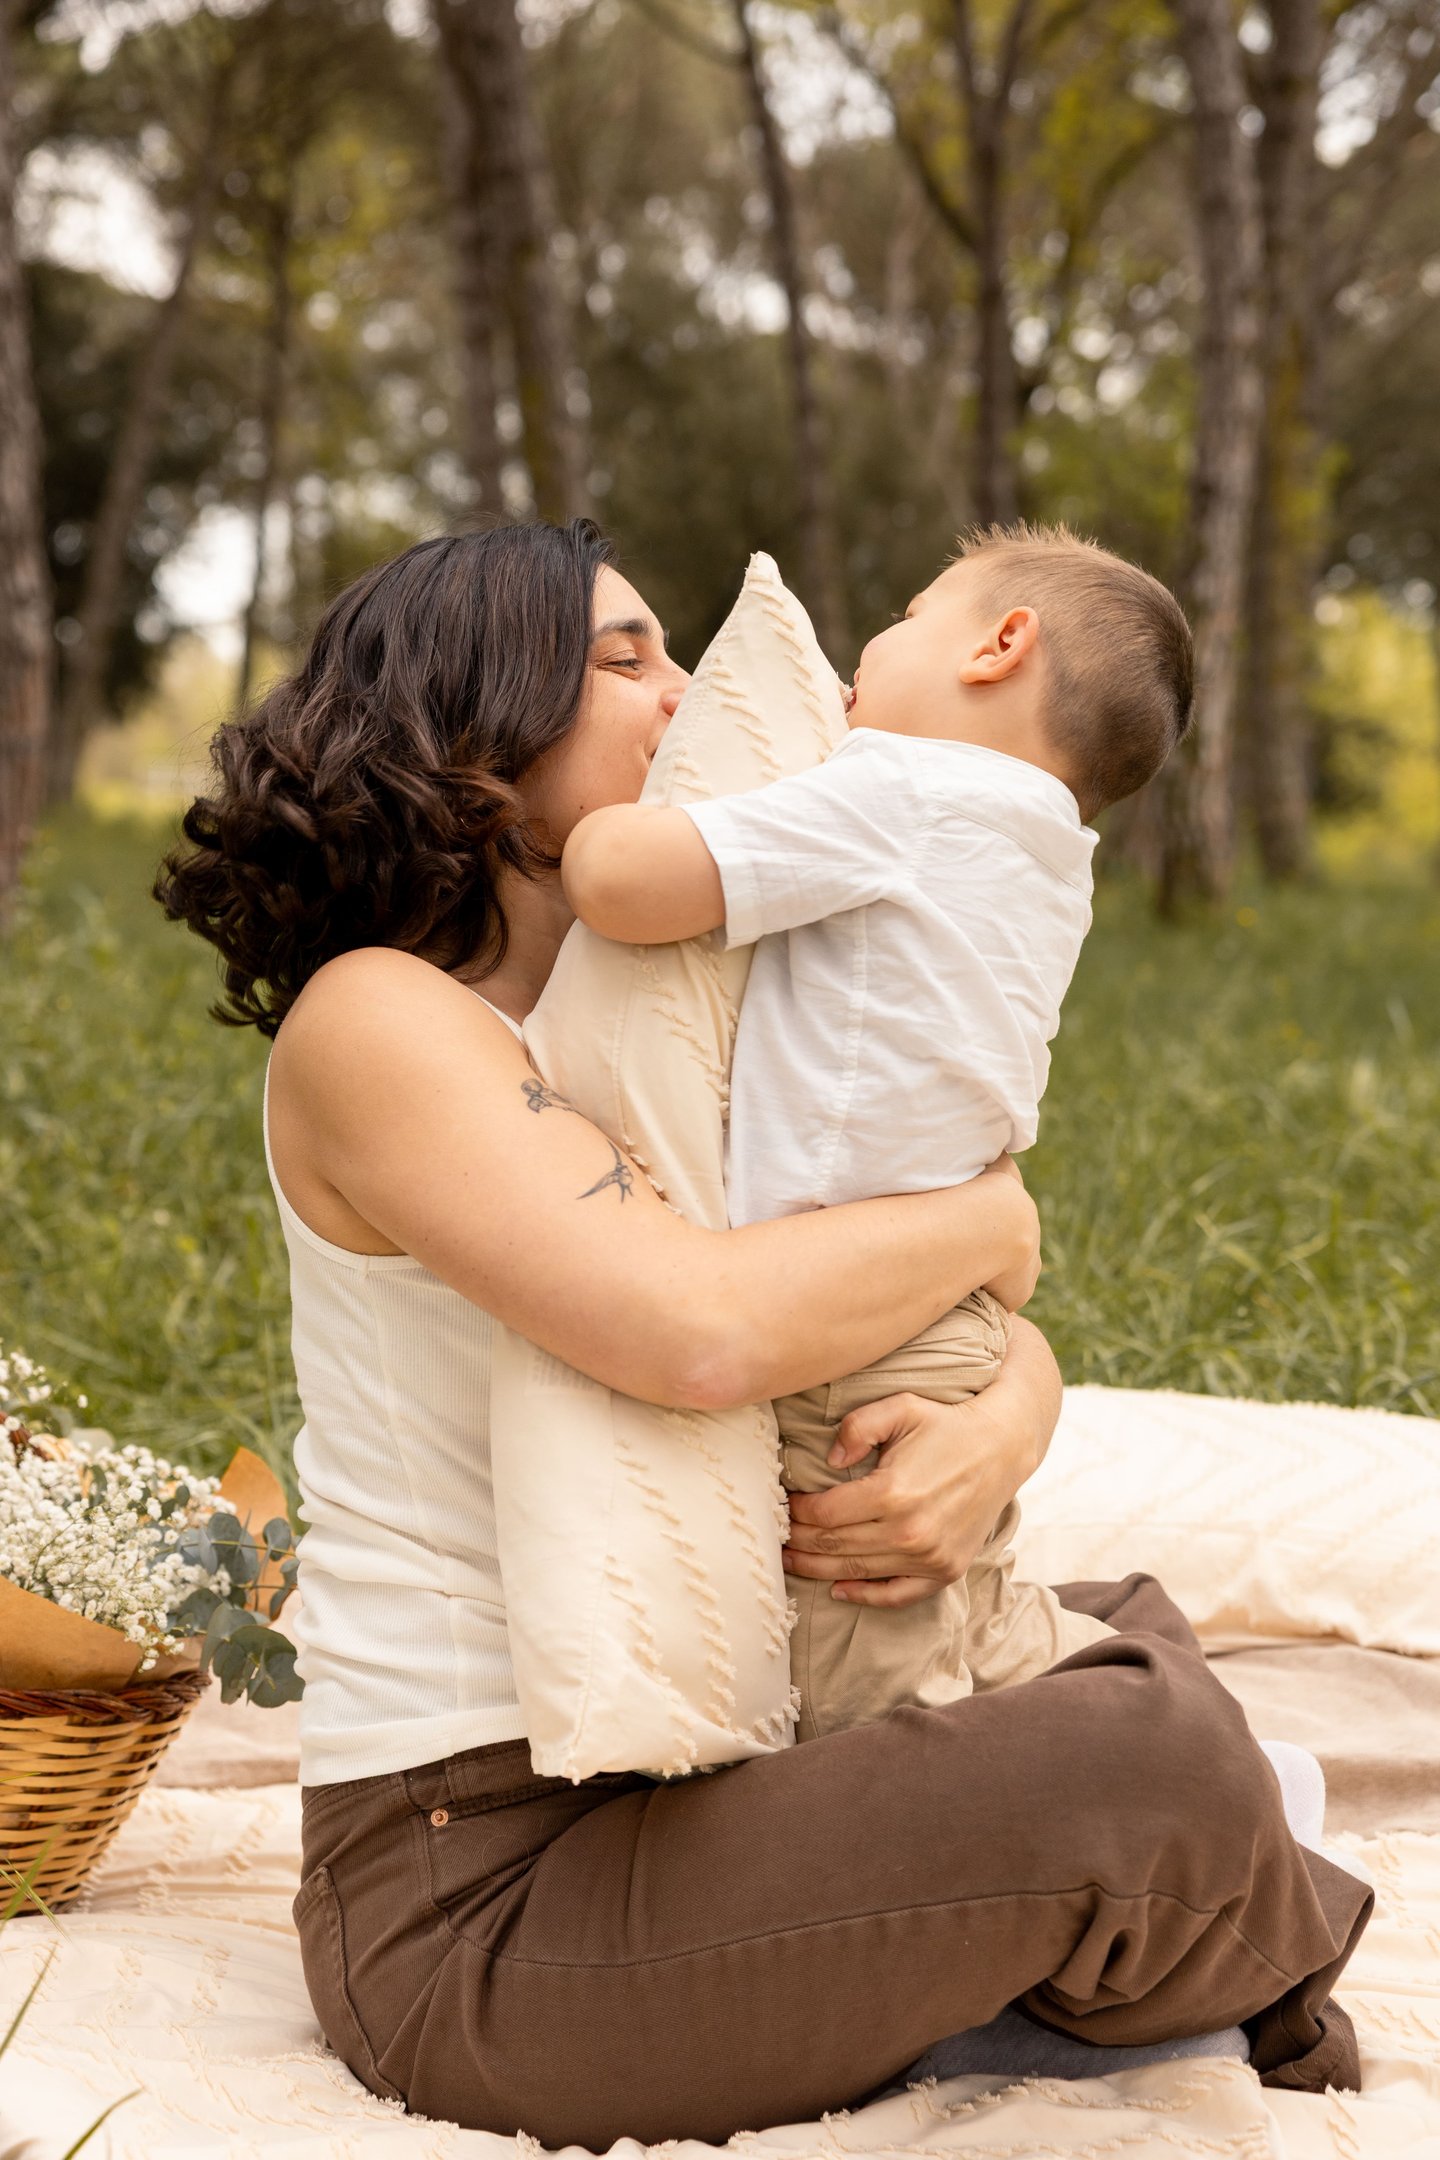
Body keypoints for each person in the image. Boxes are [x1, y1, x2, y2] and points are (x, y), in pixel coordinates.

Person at [156, 520, 1371, 2152]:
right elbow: (704, 1334)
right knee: (1146, 1762)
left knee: (1111, 1625)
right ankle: (1237, 1942)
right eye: (628, 656)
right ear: (473, 720)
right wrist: (1001, 1222)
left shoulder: (666, 1027)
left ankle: (1036, 1929)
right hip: (489, 1896)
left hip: (715, 1755)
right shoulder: (380, 1020)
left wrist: (999, 1425)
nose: (684, 695)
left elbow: (911, 1319)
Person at [559, 525, 1188, 1743]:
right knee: (983, 1612)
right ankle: (1165, 1763)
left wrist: (612, 827)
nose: (865, 653)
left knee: (866, 1680)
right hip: (943, 1314)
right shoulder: (1053, 848)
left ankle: (986, 1845)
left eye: (905, 616)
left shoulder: (905, 788)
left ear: (1002, 647)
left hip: (846, 1332)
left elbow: (632, 886)